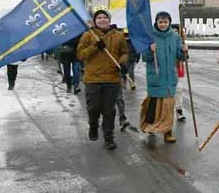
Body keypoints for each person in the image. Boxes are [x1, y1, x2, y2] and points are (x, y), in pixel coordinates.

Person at [76, 10, 128, 150]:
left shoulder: (118, 35)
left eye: (105, 17)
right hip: (93, 79)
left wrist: (122, 63)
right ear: (95, 20)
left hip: (112, 79)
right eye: (99, 17)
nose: (102, 20)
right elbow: (81, 55)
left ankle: (109, 138)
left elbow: (124, 52)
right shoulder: (88, 35)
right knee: (93, 108)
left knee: (109, 111)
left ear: (109, 20)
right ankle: (93, 125)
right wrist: (95, 48)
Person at [139, 12, 187, 143]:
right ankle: (151, 127)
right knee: (155, 107)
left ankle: (168, 132)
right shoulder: (150, 37)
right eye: (160, 22)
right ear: (156, 22)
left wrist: (184, 51)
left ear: (169, 23)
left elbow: (180, 57)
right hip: (156, 76)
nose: (163, 24)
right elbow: (145, 58)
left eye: (165, 22)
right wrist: (150, 50)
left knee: (168, 106)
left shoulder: (175, 37)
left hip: (170, 77)